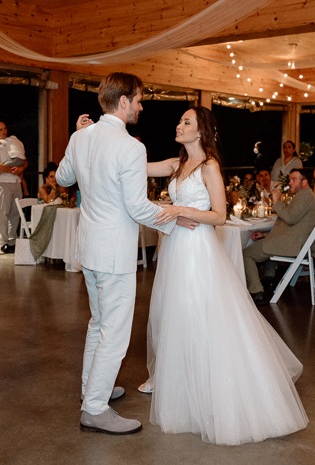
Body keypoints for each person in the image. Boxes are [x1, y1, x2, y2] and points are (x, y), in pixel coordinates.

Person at [142, 106, 308, 445]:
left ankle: (214, 388)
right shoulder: (176, 165)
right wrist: (101, 136)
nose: (178, 125)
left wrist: (179, 210)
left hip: (198, 252)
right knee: (175, 316)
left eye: (186, 122)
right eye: (179, 120)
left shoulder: (209, 167)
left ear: (201, 131)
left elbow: (218, 216)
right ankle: (183, 387)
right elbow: (136, 165)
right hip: (175, 250)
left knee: (203, 317)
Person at [56, 72, 180, 436]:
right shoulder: (131, 147)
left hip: (89, 249)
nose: (141, 106)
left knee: (98, 323)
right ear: (123, 101)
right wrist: (174, 217)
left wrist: (75, 137)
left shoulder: (81, 137)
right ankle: (94, 407)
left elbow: (64, 178)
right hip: (112, 254)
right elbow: (138, 208)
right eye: (139, 100)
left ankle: (92, 389)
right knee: (114, 331)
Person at [243, 168, 315, 304]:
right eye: (290, 179)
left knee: (246, 254)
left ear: (305, 182)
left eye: (294, 179)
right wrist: (265, 234)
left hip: (293, 244)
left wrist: (277, 201)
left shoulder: (305, 195)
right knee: (267, 243)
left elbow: (290, 218)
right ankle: (268, 281)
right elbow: (293, 223)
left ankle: (256, 291)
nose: (290, 182)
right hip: (297, 241)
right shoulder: (307, 195)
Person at [0, 119, 29, 253]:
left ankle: (12, 240)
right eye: (0, 129)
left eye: (5, 128)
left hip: (16, 182)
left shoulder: (12, 143)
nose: (4, 131)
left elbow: (25, 161)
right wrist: (11, 170)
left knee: (15, 212)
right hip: (2, 183)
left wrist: (21, 169)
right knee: (3, 213)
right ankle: (3, 242)